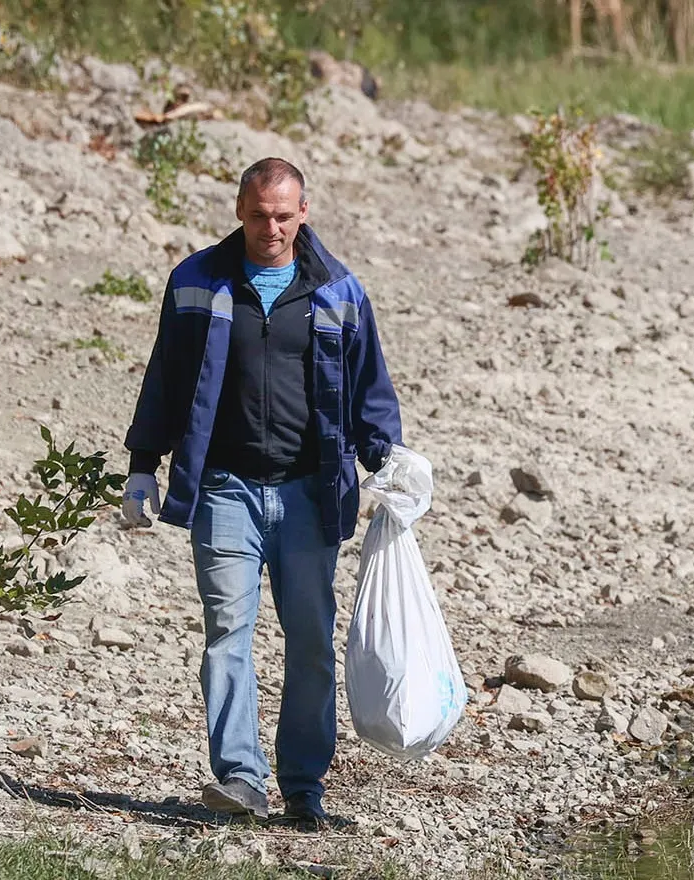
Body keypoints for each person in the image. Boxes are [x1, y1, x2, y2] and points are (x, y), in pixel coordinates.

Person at [119, 157, 402, 827]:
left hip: (310, 493)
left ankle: (303, 789)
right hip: (225, 489)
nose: (270, 227)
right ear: (239, 212)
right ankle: (242, 778)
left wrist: (388, 461)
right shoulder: (196, 283)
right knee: (227, 634)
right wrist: (141, 464)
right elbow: (166, 378)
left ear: (304, 213)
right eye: (258, 215)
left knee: (309, 640)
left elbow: (370, 390)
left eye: (283, 215)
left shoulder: (339, 291)